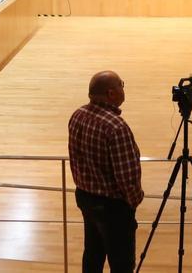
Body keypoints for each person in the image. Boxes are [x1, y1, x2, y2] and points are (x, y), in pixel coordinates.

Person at [68, 71, 143, 273]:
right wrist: (134, 201)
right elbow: (127, 177)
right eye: (122, 85)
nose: (123, 89)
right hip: (113, 209)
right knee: (122, 264)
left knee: (92, 255)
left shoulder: (77, 115)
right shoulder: (116, 127)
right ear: (111, 93)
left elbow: (75, 159)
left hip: (85, 198)